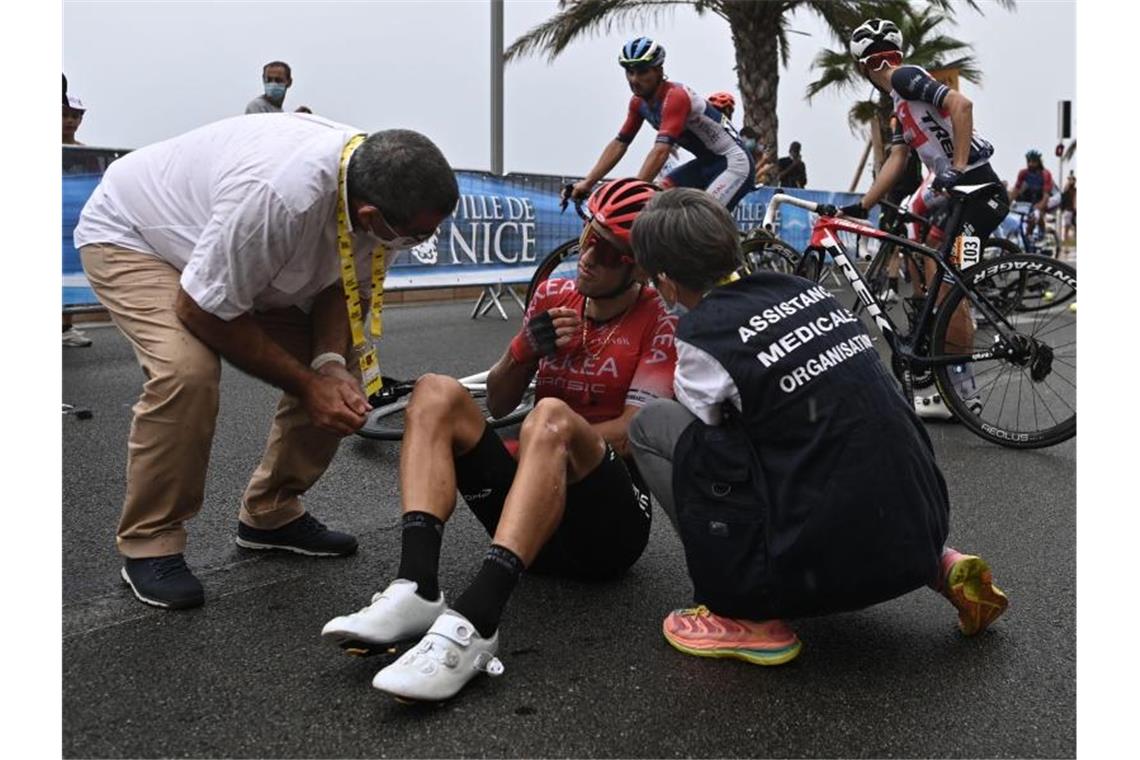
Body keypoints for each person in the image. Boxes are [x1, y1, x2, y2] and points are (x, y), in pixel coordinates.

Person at [74, 114, 458, 610]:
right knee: (186, 373)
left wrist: (325, 365)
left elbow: (341, 283)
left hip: (229, 250)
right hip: (137, 237)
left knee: (341, 378)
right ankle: (151, 540)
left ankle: (271, 512)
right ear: (369, 216)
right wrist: (305, 382)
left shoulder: (381, 190)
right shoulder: (280, 198)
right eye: (417, 234)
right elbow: (201, 308)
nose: (424, 242)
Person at [321, 178, 677, 702]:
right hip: (531, 513)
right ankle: (416, 586)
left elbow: (631, 435)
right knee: (435, 391)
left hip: (607, 529)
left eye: (610, 251)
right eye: (588, 237)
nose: (589, 256)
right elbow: (504, 401)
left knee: (549, 419)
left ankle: (478, 622)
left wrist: (544, 442)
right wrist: (524, 349)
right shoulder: (555, 293)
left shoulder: (659, 321)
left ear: (639, 267)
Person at [626, 188, 1008, 666]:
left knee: (656, 426)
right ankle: (943, 565)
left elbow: (718, 457)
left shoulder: (703, 337)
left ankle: (746, 613)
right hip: (923, 526)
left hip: (826, 569)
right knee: (830, 426)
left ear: (665, 283)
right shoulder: (804, 290)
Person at [839, 18, 1009, 421]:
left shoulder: (904, 78)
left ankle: (964, 396)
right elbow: (897, 160)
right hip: (958, 195)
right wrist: (864, 204)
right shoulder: (899, 102)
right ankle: (936, 363)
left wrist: (959, 165)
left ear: (862, 65)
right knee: (927, 260)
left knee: (951, 290)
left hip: (978, 192)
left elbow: (961, 105)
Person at [568, 38, 754, 212]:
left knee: (702, 221)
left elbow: (660, 151)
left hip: (733, 163)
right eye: (629, 72)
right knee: (655, 197)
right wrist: (587, 183)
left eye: (642, 72)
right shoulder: (637, 103)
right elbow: (620, 143)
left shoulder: (675, 97)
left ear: (658, 70)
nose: (634, 79)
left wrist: (631, 193)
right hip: (705, 163)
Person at [62, 92, 95, 347]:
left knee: (69, 271)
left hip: (72, 224)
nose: (69, 121)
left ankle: (65, 327)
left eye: (75, 116)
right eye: (64, 115)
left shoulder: (86, 153)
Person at [1009, 149, 1059, 239]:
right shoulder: (1023, 173)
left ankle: (1041, 234)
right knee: (1027, 214)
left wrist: (1038, 207)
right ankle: (1028, 236)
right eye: (1029, 161)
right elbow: (1016, 190)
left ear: (1038, 162)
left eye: (1033, 162)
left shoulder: (1045, 174)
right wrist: (1008, 203)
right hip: (1033, 195)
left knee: (1036, 214)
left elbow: (1046, 196)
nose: (1030, 164)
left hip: (1051, 197)